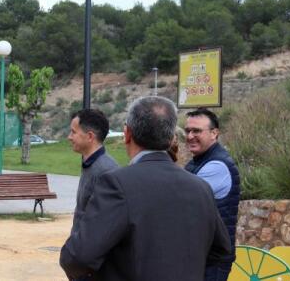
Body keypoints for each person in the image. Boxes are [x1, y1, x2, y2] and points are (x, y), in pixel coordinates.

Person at [59, 96, 231, 281]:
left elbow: (77, 257)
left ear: (127, 134)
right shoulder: (201, 187)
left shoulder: (117, 184)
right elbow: (222, 252)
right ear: (171, 137)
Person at [184, 108, 240, 281]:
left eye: (197, 131)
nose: (190, 136)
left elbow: (182, 203)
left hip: (212, 260)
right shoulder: (199, 161)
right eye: (188, 131)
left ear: (214, 133)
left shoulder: (216, 166)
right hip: (204, 256)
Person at [67, 109, 119, 238]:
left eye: (73, 132)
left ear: (90, 136)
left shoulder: (106, 172)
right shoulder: (90, 164)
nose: (69, 137)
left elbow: (106, 227)